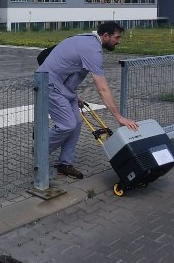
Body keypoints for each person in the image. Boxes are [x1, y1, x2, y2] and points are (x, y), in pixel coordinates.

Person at [36, 21, 139, 179]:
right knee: (67, 125)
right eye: (117, 37)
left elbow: (68, 69)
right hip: (49, 84)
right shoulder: (92, 49)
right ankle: (40, 150)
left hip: (64, 88)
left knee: (76, 123)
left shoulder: (89, 41)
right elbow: (102, 88)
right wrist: (119, 117)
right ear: (105, 36)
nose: (119, 41)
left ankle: (64, 164)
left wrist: (74, 96)